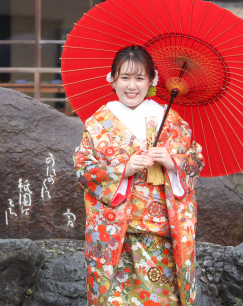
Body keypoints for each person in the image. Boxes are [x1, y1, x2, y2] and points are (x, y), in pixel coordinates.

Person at [74, 45, 204, 306]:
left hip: (160, 232)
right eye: (124, 77)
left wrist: (172, 162)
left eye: (139, 78)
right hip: (115, 234)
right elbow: (84, 168)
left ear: (152, 80)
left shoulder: (169, 119)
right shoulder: (99, 122)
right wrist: (124, 168)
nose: (131, 86)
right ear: (112, 79)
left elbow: (195, 161)